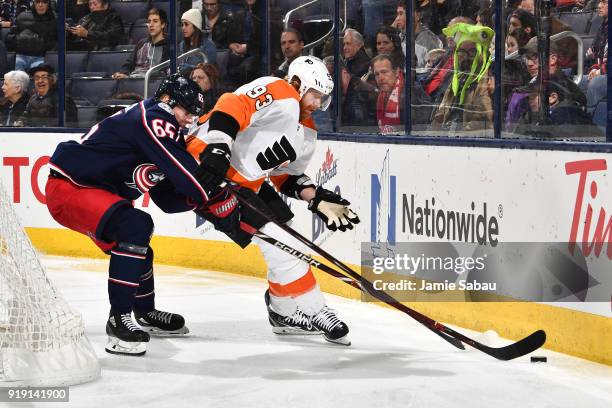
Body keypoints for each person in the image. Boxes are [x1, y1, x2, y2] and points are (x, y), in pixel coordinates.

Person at [186, 56, 360, 345]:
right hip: (203, 165)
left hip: (244, 181)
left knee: (287, 228)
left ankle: (282, 311)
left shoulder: (307, 132)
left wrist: (316, 198)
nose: (317, 103)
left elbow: (284, 176)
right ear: (297, 84)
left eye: (322, 98)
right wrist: (217, 149)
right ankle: (317, 309)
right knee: (280, 240)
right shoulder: (280, 91)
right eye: (314, 94)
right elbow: (230, 104)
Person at [45, 74, 208, 356]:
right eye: (187, 110)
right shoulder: (155, 116)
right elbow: (189, 178)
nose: (189, 119)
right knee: (136, 225)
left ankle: (144, 311)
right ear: (169, 100)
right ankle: (118, 321)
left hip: (94, 192)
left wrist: (200, 202)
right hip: (71, 186)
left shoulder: (165, 132)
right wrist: (214, 194)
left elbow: (168, 198)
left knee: (140, 247)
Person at [431, 23, 495, 133]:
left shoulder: (487, 81)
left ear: (482, 54)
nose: (466, 56)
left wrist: (456, 138)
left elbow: (481, 120)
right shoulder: (457, 79)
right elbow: (440, 114)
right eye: (462, 51)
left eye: (472, 51)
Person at [112, 8, 169, 79]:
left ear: (163, 24)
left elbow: (166, 72)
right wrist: (122, 73)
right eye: (149, 21)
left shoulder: (169, 46)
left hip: (153, 82)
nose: (151, 25)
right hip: (134, 80)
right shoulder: (142, 43)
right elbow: (129, 64)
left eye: (155, 21)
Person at [5, 0, 57, 72]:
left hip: (41, 57)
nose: (40, 5)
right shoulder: (22, 16)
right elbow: (10, 37)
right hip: (21, 55)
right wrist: (19, 40)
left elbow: (58, 41)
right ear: (34, 3)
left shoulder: (55, 19)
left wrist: (42, 44)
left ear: (49, 4)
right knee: (16, 77)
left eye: (44, 2)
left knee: (40, 75)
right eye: (38, 2)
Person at [371, 54, 405, 134]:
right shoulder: (379, 96)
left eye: (384, 72)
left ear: (396, 72)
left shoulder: (409, 96)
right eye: (377, 74)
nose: (380, 78)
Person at [178, 8, 217, 73]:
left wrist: (185, 67)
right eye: (182, 25)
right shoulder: (182, 44)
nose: (183, 28)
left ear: (196, 26)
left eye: (186, 24)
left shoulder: (209, 46)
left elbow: (207, 70)